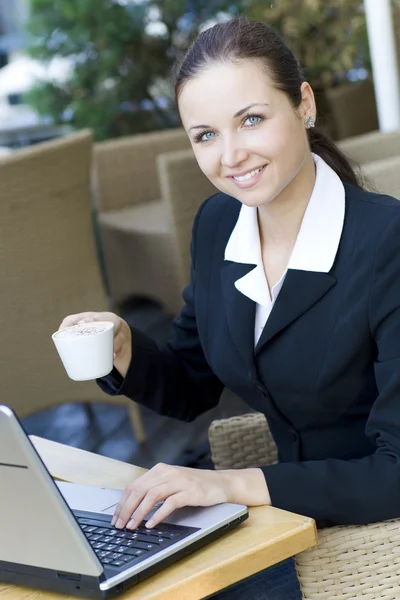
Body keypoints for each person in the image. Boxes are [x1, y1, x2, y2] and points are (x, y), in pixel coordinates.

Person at [60, 17, 400, 599]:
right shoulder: (220, 224)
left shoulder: (387, 242)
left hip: (368, 538)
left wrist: (230, 486)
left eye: (251, 119)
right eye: (205, 135)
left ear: (304, 105)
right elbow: (193, 382)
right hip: (280, 517)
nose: (231, 155)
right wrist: (123, 351)